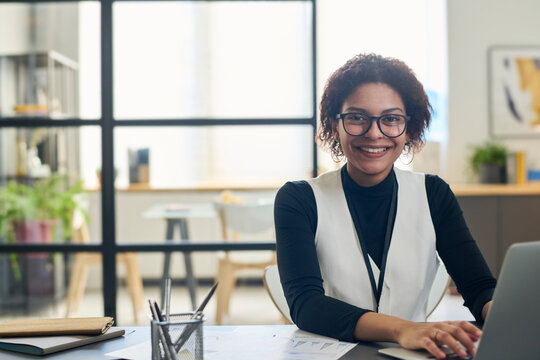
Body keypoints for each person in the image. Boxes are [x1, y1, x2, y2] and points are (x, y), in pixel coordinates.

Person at [274, 53, 497, 360]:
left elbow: (479, 286)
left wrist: (504, 312)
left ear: (409, 127)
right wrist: (401, 329)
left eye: (391, 119)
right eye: (356, 117)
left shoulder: (433, 193)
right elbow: (306, 305)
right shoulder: (299, 199)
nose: (374, 132)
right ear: (333, 124)